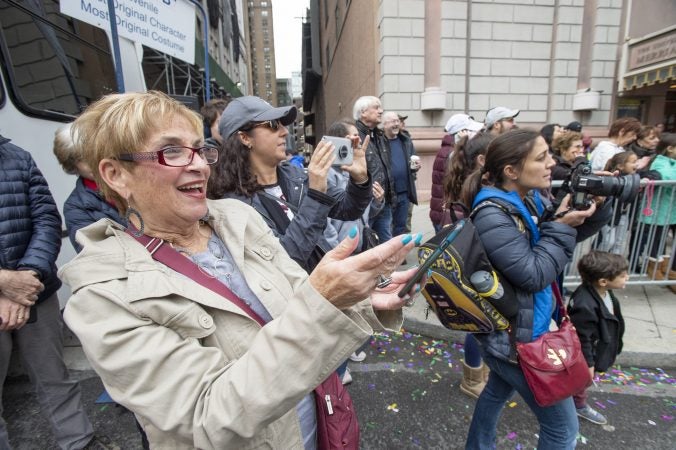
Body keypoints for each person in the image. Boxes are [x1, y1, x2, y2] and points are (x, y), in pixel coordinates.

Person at [61, 91, 422, 449]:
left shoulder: (237, 218)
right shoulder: (102, 294)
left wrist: (365, 298)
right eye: (172, 151)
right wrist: (324, 298)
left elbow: (299, 289)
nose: (200, 165)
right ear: (116, 175)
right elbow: (205, 418)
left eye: (201, 150)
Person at [461, 129, 611, 449]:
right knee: (562, 429)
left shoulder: (524, 199)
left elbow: (552, 243)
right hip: (515, 340)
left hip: (516, 332)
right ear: (511, 171)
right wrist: (560, 226)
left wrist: (594, 208)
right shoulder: (492, 214)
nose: (551, 163)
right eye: (541, 158)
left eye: (549, 155)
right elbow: (533, 274)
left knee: (496, 392)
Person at [0, 135, 102, 449]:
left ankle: (79, 441)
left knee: (53, 375)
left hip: (34, 289)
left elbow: (46, 219)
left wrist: (26, 277)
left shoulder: (17, 156)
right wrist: (4, 283)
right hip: (19, 287)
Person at [208, 95, 372, 273]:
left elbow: (349, 209)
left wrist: (360, 180)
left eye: (282, 124)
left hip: (325, 285)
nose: (284, 131)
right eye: (272, 125)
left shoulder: (295, 175)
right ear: (245, 138)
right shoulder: (234, 206)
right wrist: (316, 195)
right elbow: (284, 263)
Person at [442, 132, 494, 398]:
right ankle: (473, 376)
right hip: (474, 263)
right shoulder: (474, 190)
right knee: (479, 321)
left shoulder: (472, 182)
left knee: (482, 320)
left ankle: (479, 371)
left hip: (474, 261)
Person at [568, 251, 627, 426]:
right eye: (623, 276)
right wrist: (589, 364)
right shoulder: (584, 304)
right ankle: (578, 406)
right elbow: (582, 338)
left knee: (583, 381)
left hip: (600, 348)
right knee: (581, 382)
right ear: (603, 281)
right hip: (588, 356)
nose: (627, 278)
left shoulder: (604, 291)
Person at [53, 123, 126, 252]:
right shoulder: (76, 206)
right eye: (83, 158)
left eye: (96, 154)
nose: (94, 163)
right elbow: (94, 253)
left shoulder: (136, 179)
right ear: (72, 165)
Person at [429, 114, 483, 232]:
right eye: (474, 131)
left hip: (446, 213)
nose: (478, 135)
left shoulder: (451, 150)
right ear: (462, 132)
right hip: (449, 216)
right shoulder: (454, 154)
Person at [353, 96, 395, 241]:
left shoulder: (381, 135)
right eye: (376, 107)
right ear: (363, 112)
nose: (381, 111)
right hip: (366, 205)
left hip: (384, 202)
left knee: (387, 247)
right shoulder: (354, 136)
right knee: (366, 245)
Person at [638, 132, 676, 289]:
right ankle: (655, 268)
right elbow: (666, 177)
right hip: (659, 209)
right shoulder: (660, 161)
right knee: (657, 239)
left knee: (663, 240)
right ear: (670, 149)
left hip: (669, 209)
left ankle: (669, 269)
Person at [382, 111, 419, 236]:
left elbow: (411, 162)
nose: (396, 124)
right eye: (393, 121)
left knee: (401, 227)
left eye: (397, 121)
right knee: (386, 227)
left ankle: (399, 255)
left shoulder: (406, 141)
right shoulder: (379, 142)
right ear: (384, 124)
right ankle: (388, 254)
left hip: (404, 192)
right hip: (387, 194)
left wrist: (415, 168)